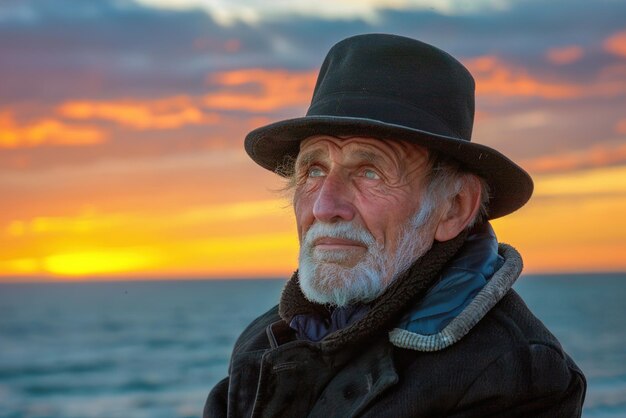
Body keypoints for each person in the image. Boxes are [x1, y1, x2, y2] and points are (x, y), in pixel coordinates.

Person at [204, 33, 586, 417]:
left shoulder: (516, 373)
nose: (324, 206)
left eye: (369, 172)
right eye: (314, 170)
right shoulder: (265, 340)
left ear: (454, 208)